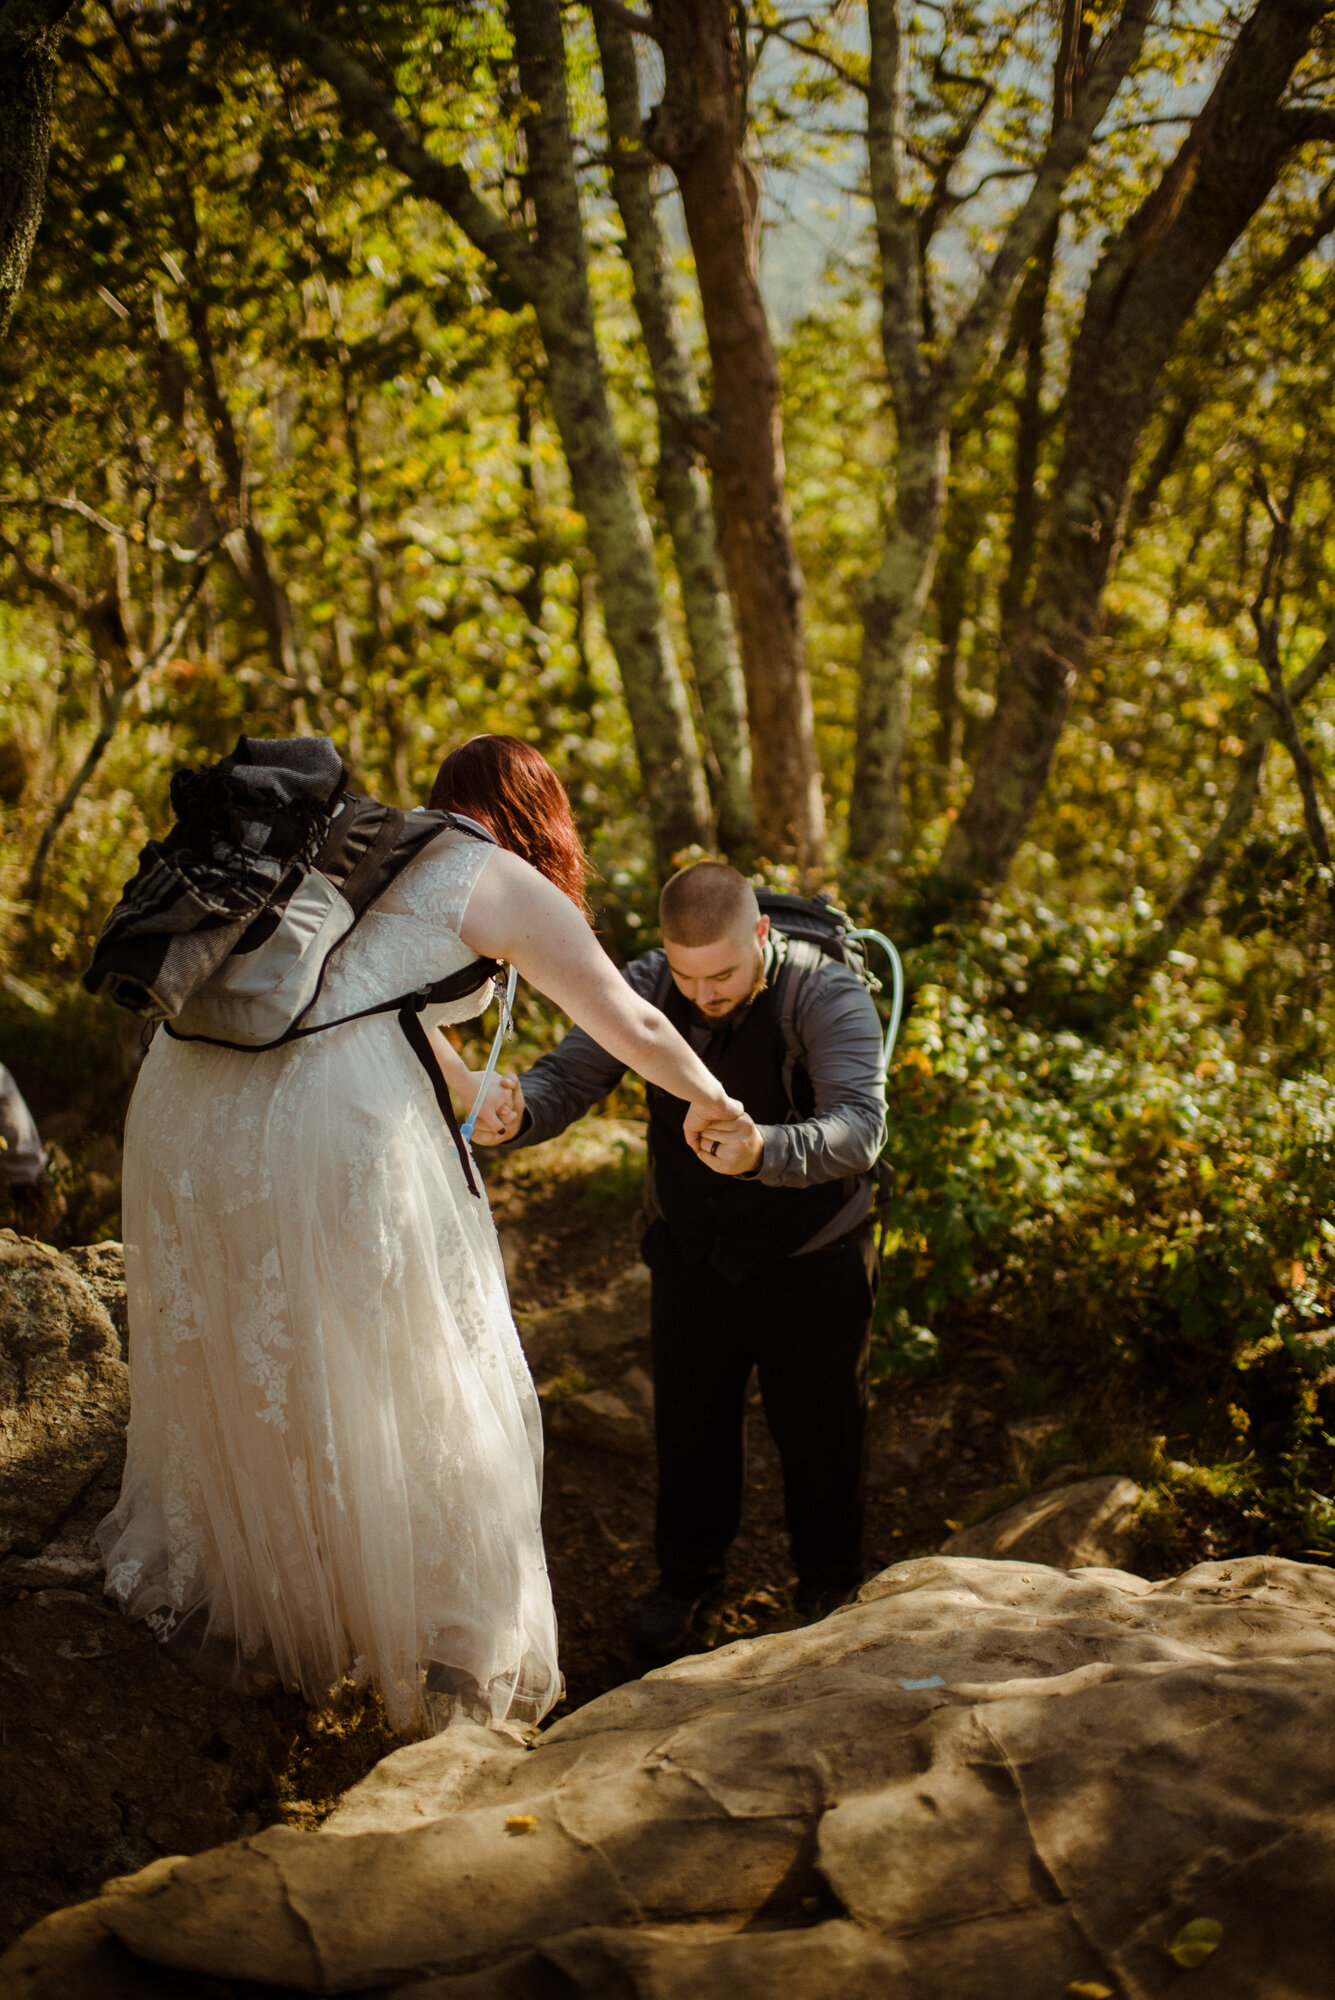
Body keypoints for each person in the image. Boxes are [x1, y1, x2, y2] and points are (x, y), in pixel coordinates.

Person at [97, 740, 742, 1735]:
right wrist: (715, 1101)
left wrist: (475, 1090)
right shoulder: (506, 877)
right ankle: (440, 1651)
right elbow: (631, 1021)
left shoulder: (356, 843)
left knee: (260, 1356)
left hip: (182, 1107)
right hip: (313, 1128)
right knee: (413, 1364)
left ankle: (277, 1615)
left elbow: (352, 992)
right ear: (545, 819)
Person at [477, 860, 887, 1653]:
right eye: (686, 973)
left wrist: (763, 1148)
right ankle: (685, 1584)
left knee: (822, 1436)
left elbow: (860, 1128)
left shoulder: (826, 994)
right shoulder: (646, 985)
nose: (703, 993)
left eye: (723, 972)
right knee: (690, 1432)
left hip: (813, 1260)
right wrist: (519, 1111)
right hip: (691, 1258)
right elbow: (571, 1074)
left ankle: (829, 1587)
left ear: (760, 934)